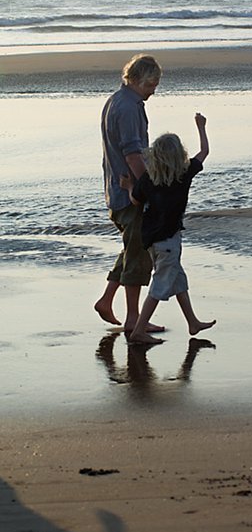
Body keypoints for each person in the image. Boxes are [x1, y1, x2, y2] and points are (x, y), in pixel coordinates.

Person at [123, 112, 216, 344]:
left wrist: (127, 186)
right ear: (179, 157)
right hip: (169, 241)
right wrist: (201, 127)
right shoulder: (183, 175)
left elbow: (135, 200)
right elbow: (204, 152)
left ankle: (192, 322)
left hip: (153, 241)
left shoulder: (148, 179)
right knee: (160, 285)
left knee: (177, 280)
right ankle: (139, 331)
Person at [94, 53, 164, 333]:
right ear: (137, 80)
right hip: (129, 194)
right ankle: (134, 320)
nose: (154, 91)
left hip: (116, 190)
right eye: (151, 85)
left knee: (131, 248)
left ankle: (106, 300)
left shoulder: (117, 101)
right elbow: (133, 154)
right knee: (138, 256)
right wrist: (149, 188)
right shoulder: (127, 108)